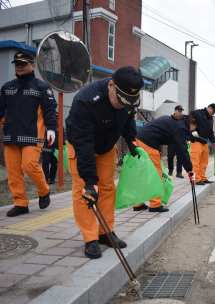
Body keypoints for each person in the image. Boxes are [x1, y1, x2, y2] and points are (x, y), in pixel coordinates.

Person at [65, 66, 142, 259]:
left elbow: (129, 118)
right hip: (82, 146)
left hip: (107, 147)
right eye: (121, 101)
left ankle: (105, 232)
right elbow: (83, 142)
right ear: (110, 86)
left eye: (128, 103)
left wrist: (131, 139)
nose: (123, 105)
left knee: (107, 188)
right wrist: (90, 179)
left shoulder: (127, 100)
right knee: (85, 191)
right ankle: (90, 238)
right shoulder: (86, 101)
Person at [0, 51, 57, 217]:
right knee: (13, 172)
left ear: (32, 66)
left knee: (29, 166)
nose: (19, 66)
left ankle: (44, 189)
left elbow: (49, 110)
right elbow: (1, 110)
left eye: (23, 63)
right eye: (17, 64)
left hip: (32, 135)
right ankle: (20, 203)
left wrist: (51, 128)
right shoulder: (7, 87)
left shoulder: (42, 87)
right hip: (10, 135)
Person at [133, 114, 199, 212]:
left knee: (144, 172)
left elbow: (158, 131)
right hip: (148, 141)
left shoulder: (176, 121)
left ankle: (138, 203)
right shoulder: (181, 127)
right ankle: (155, 204)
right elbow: (182, 150)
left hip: (140, 138)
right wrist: (189, 169)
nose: (192, 130)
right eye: (194, 128)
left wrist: (157, 149)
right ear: (192, 124)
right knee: (156, 174)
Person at [188, 103, 215, 186]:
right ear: (209, 108)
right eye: (213, 111)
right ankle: (196, 179)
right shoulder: (198, 113)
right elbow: (188, 120)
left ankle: (203, 177)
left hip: (204, 142)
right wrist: (192, 131)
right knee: (196, 162)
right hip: (196, 141)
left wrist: (214, 142)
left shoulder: (210, 119)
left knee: (204, 162)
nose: (213, 113)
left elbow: (210, 132)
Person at [42, 113, 66, 184]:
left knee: (54, 164)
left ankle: (52, 179)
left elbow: (63, 136)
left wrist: (64, 143)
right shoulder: (45, 126)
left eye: (56, 118)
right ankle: (46, 179)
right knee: (45, 163)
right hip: (46, 148)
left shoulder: (60, 126)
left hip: (56, 149)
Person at [167, 105, 184, 178]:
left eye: (181, 111)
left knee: (180, 157)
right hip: (171, 141)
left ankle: (179, 172)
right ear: (175, 111)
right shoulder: (170, 119)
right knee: (170, 156)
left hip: (180, 141)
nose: (180, 112)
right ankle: (170, 170)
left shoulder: (182, 119)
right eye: (179, 111)